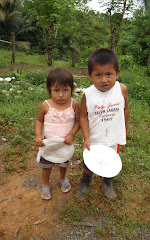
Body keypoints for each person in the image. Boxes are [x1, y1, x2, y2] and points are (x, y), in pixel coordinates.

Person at [77, 48, 129, 200]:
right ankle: (85, 181)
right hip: (94, 137)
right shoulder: (88, 94)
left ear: (117, 73)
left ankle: (107, 182)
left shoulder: (121, 90)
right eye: (98, 75)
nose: (104, 80)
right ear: (90, 76)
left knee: (111, 160)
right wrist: (86, 137)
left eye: (109, 74)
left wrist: (124, 129)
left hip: (113, 136)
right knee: (89, 162)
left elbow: (125, 109)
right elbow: (83, 117)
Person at [35, 67, 80, 200]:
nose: (61, 95)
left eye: (65, 90)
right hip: (48, 144)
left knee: (63, 164)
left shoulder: (74, 104)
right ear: (49, 90)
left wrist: (71, 134)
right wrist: (38, 135)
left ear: (71, 89)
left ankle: (62, 178)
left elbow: (78, 122)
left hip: (64, 144)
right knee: (46, 166)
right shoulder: (45, 105)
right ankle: (46, 184)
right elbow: (39, 121)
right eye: (56, 90)